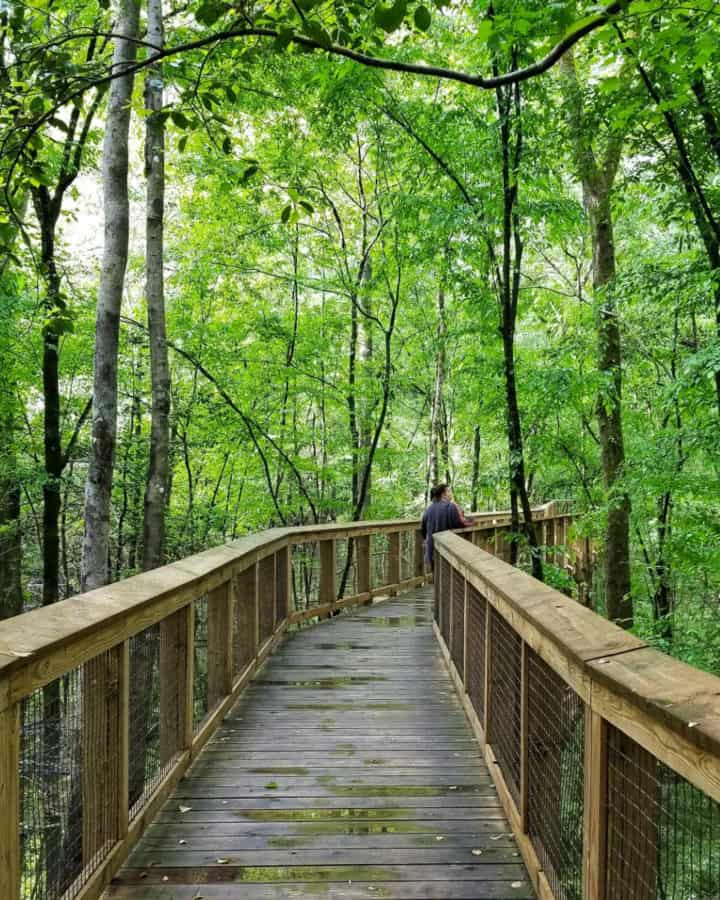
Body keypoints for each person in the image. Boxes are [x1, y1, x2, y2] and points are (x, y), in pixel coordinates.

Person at [421, 483, 464, 570]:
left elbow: (423, 530)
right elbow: (458, 524)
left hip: (432, 551)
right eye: (449, 491)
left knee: (437, 575)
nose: (451, 493)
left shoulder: (428, 509)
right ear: (443, 494)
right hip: (448, 550)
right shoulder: (450, 506)